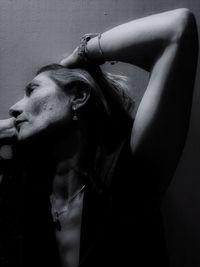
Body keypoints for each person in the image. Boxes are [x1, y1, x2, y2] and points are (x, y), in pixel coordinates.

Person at [0, 8, 198, 267]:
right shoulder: (26, 195)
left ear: (79, 97)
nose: (14, 106)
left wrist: (82, 54)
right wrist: (9, 130)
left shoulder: (131, 171)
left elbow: (177, 28)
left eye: (32, 90)